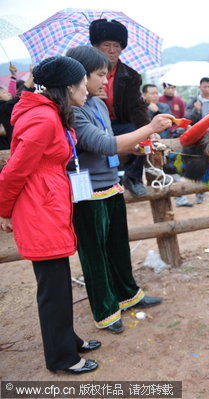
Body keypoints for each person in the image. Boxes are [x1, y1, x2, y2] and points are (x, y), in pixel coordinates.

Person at [0, 56, 100, 374]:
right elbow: (15, 169)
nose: (87, 89)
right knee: (53, 288)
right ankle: (62, 358)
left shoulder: (51, 114)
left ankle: (67, 340)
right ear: (68, 86)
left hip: (49, 203)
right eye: (83, 83)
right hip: (38, 207)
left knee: (58, 282)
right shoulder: (42, 118)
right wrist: (4, 211)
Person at [65, 46, 169, 334]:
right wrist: (149, 128)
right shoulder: (71, 110)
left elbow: (112, 142)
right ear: (80, 76)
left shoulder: (98, 105)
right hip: (86, 192)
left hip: (110, 184)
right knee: (94, 255)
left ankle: (128, 295)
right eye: (100, 75)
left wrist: (134, 147)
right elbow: (103, 144)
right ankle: (105, 310)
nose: (104, 81)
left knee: (117, 245)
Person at [90, 18, 151, 197]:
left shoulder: (131, 76)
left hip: (119, 125)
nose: (112, 50)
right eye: (106, 45)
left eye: (116, 45)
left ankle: (133, 178)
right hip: (94, 126)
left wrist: (147, 129)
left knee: (138, 133)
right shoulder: (84, 72)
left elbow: (137, 107)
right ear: (95, 47)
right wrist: (92, 97)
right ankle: (106, 179)